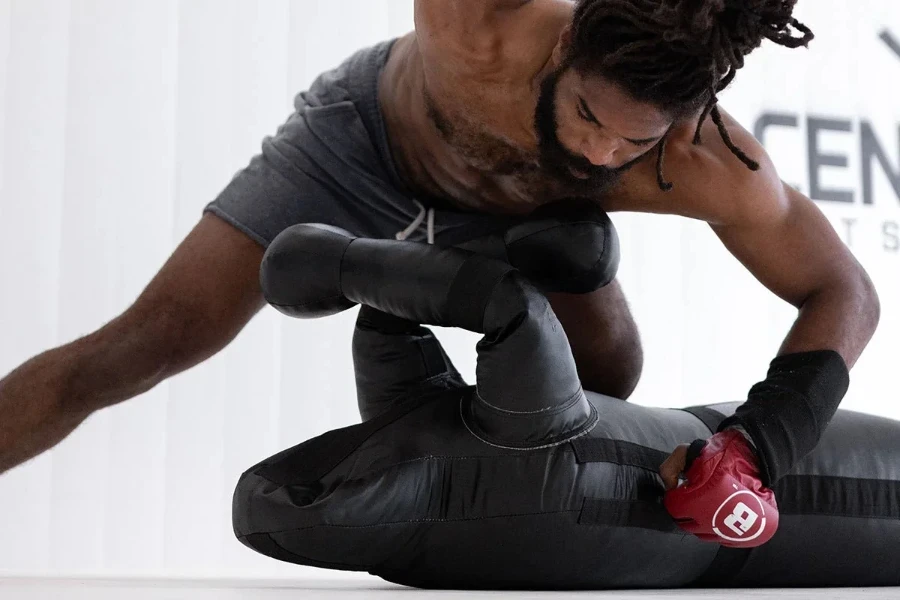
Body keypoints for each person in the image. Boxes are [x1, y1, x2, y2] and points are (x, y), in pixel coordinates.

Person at [0, 0, 879, 485]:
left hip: (528, 228)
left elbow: (846, 293)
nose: (600, 152)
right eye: (586, 116)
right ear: (567, 38)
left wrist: (760, 445)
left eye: (632, 144)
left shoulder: (706, 165)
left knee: (607, 377)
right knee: (143, 346)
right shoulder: (477, 23)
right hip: (363, 145)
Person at [232, 213, 900, 590]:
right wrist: (347, 264)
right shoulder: (523, 445)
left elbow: (389, 327)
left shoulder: (417, 548)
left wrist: (373, 265)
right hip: (778, 495)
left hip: (693, 509)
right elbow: (507, 307)